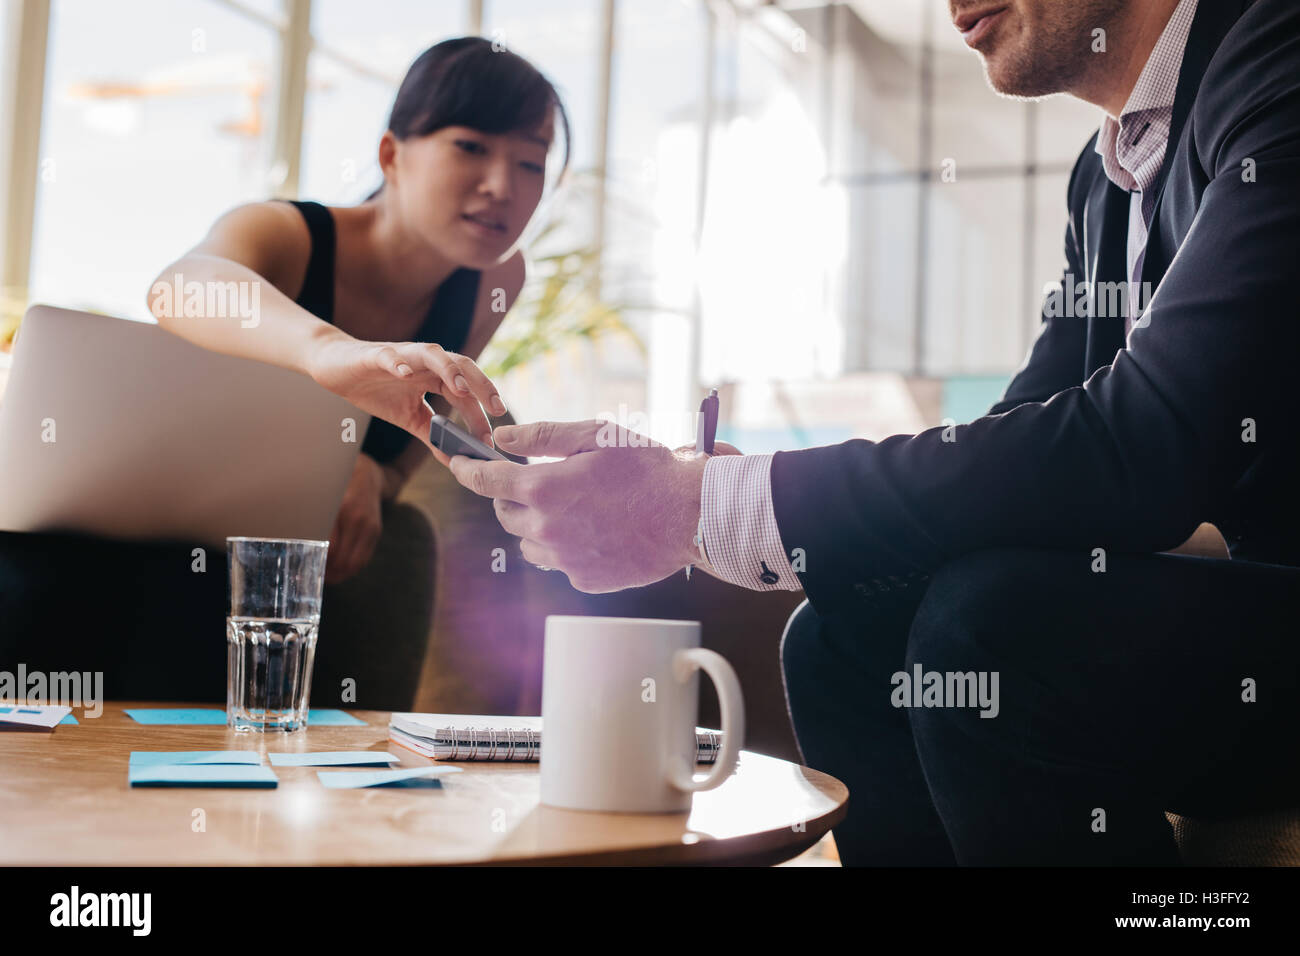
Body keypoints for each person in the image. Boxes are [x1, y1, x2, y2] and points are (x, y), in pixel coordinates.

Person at [446, 0, 1300, 865]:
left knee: (995, 630)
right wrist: (734, 492)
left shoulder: (1278, 56)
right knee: (843, 639)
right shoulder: (1103, 173)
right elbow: (1027, 440)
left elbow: (1148, 444)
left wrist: (708, 507)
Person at [0, 38, 569, 706]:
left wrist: (368, 470)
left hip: (275, 559)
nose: (503, 186)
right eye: (470, 147)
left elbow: (419, 425)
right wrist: (326, 353)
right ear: (392, 155)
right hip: (136, 517)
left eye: (531, 163)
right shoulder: (285, 234)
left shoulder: (495, 278)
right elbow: (180, 288)